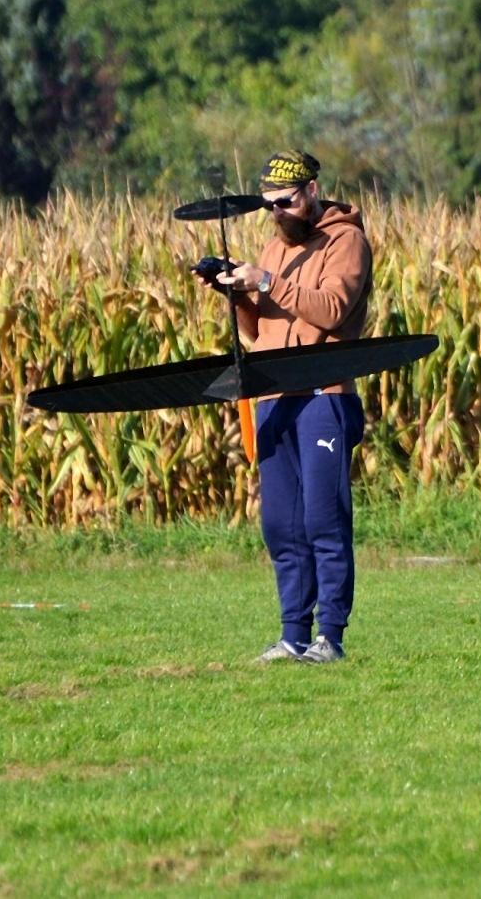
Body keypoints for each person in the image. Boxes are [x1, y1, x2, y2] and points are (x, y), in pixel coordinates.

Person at [197, 149, 373, 664]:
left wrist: (268, 282)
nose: (279, 212)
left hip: (324, 395)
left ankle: (330, 637)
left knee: (324, 518)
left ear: (313, 190)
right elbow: (260, 333)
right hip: (273, 396)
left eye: (287, 201)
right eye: (270, 205)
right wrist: (234, 295)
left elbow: (331, 308)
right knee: (280, 524)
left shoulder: (347, 241)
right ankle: (292, 634)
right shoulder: (274, 247)